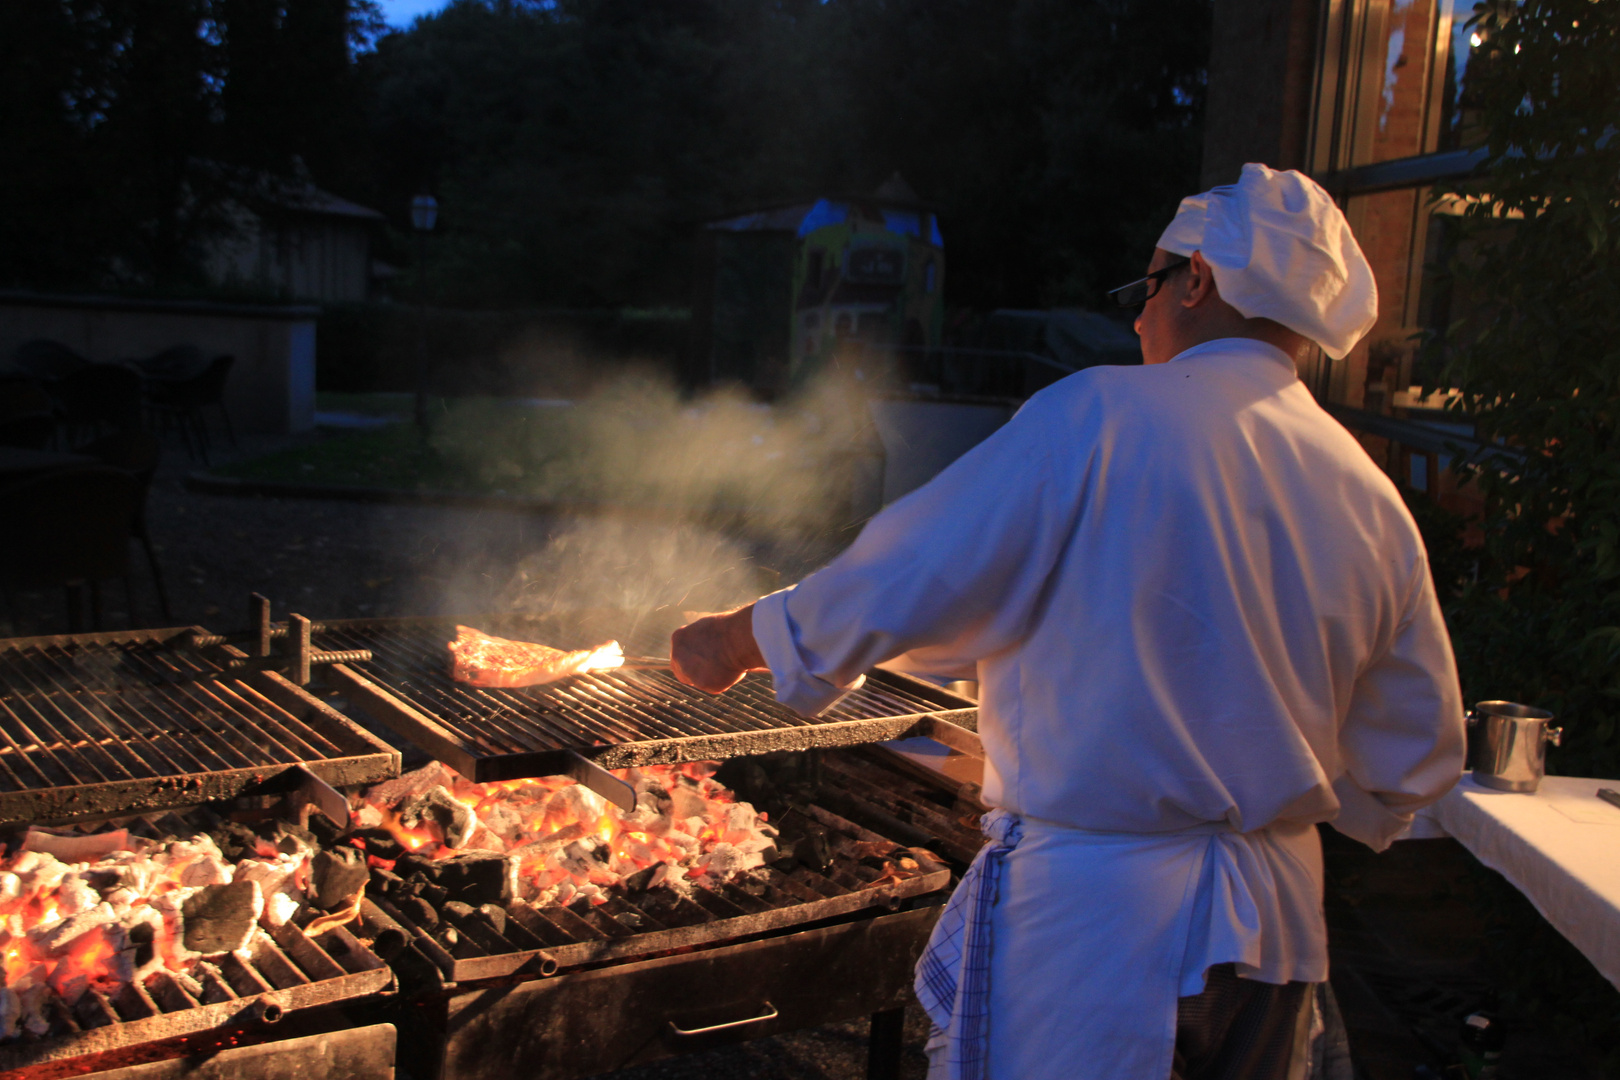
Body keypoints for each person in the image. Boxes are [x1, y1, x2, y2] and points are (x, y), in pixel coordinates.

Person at [669, 163, 1466, 1080]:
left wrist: (740, 638)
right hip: (1278, 933)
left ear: (1197, 280)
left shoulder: (1102, 414)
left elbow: (918, 570)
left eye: (1148, 288)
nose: (1137, 318)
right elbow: (1413, 758)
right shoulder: (1369, 492)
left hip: (1104, 930)